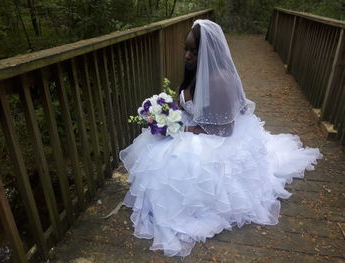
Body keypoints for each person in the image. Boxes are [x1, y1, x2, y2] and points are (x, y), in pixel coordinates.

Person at [119, 19, 322, 257]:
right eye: (185, 49)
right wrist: (165, 114)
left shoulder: (219, 81)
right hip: (197, 126)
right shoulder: (195, 73)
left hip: (217, 137)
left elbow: (225, 130)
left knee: (179, 161)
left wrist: (184, 131)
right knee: (157, 152)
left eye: (193, 52)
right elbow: (188, 108)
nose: (186, 56)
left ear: (208, 52)